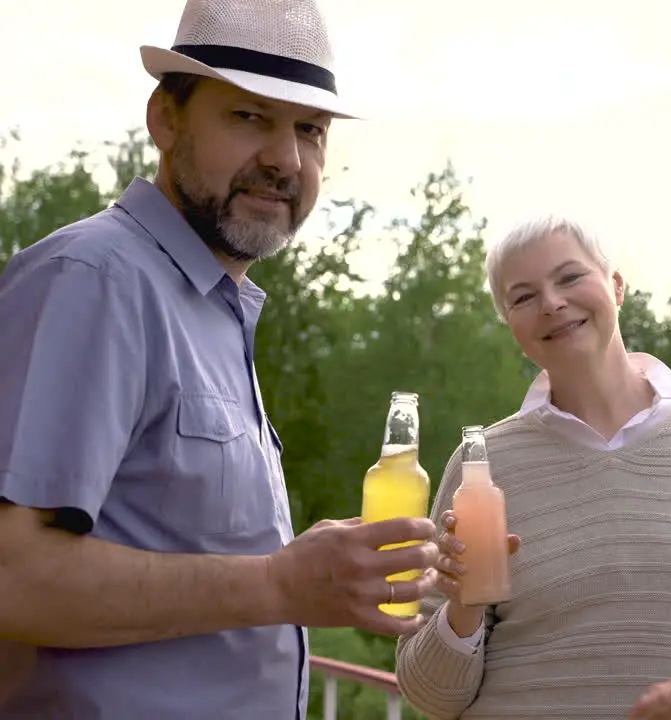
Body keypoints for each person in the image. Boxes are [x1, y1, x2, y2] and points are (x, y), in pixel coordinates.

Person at [0, 1, 437, 717]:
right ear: (165, 120)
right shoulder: (97, 279)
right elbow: (11, 576)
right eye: (249, 116)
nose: (286, 159)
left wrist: (310, 567)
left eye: (309, 130)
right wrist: (279, 584)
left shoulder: (212, 307)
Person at [394, 216, 671, 719]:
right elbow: (428, 695)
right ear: (510, 322)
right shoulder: (481, 464)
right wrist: (463, 609)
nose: (552, 302)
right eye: (523, 297)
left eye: (570, 278)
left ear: (616, 286)